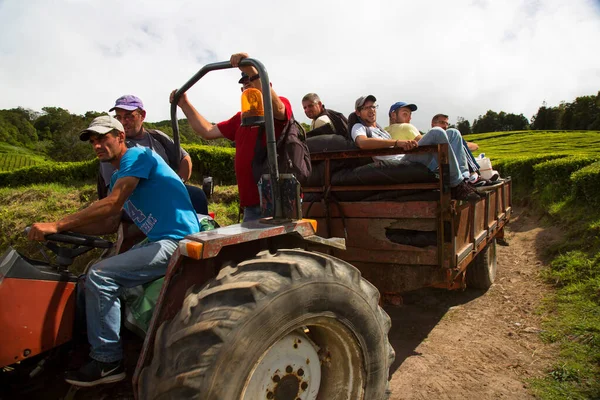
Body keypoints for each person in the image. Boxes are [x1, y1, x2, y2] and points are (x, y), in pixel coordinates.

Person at [28, 115, 200, 387]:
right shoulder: (119, 176)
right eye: (93, 141)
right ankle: (79, 347)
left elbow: (112, 204)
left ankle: (108, 361)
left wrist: (57, 223)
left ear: (121, 137)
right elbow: (109, 222)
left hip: (176, 240)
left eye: (103, 138)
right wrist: (65, 233)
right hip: (158, 240)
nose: (97, 145)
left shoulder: (138, 156)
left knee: (101, 276)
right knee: (86, 280)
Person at [170, 52, 293, 222]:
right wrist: (184, 104)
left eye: (252, 80)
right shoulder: (240, 119)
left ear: (266, 84)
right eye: (244, 84)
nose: (248, 86)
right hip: (250, 206)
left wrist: (251, 69)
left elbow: (279, 110)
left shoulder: (277, 107)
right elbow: (207, 130)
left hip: (277, 204)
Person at [350, 95, 480, 201]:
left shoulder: (381, 130)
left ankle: (464, 180)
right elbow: (362, 142)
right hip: (399, 165)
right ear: (358, 112)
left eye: (373, 106)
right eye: (366, 108)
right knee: (437, 132)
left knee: (453, 133)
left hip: (407, 157)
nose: (371, 110)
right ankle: (457, 185)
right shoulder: (359, 128)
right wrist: (397, 142)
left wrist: (408, 145)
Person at [99, 94, 208, 215]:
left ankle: (197, 230)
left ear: (142, 115)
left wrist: (178, 184)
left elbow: (185, 158)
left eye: (129, 116)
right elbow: (114, 189)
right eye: (119, 117)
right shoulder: (113, 145)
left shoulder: (157, 137)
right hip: (134, 201)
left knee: (197, 196)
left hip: (166, 193)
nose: (123, 122)